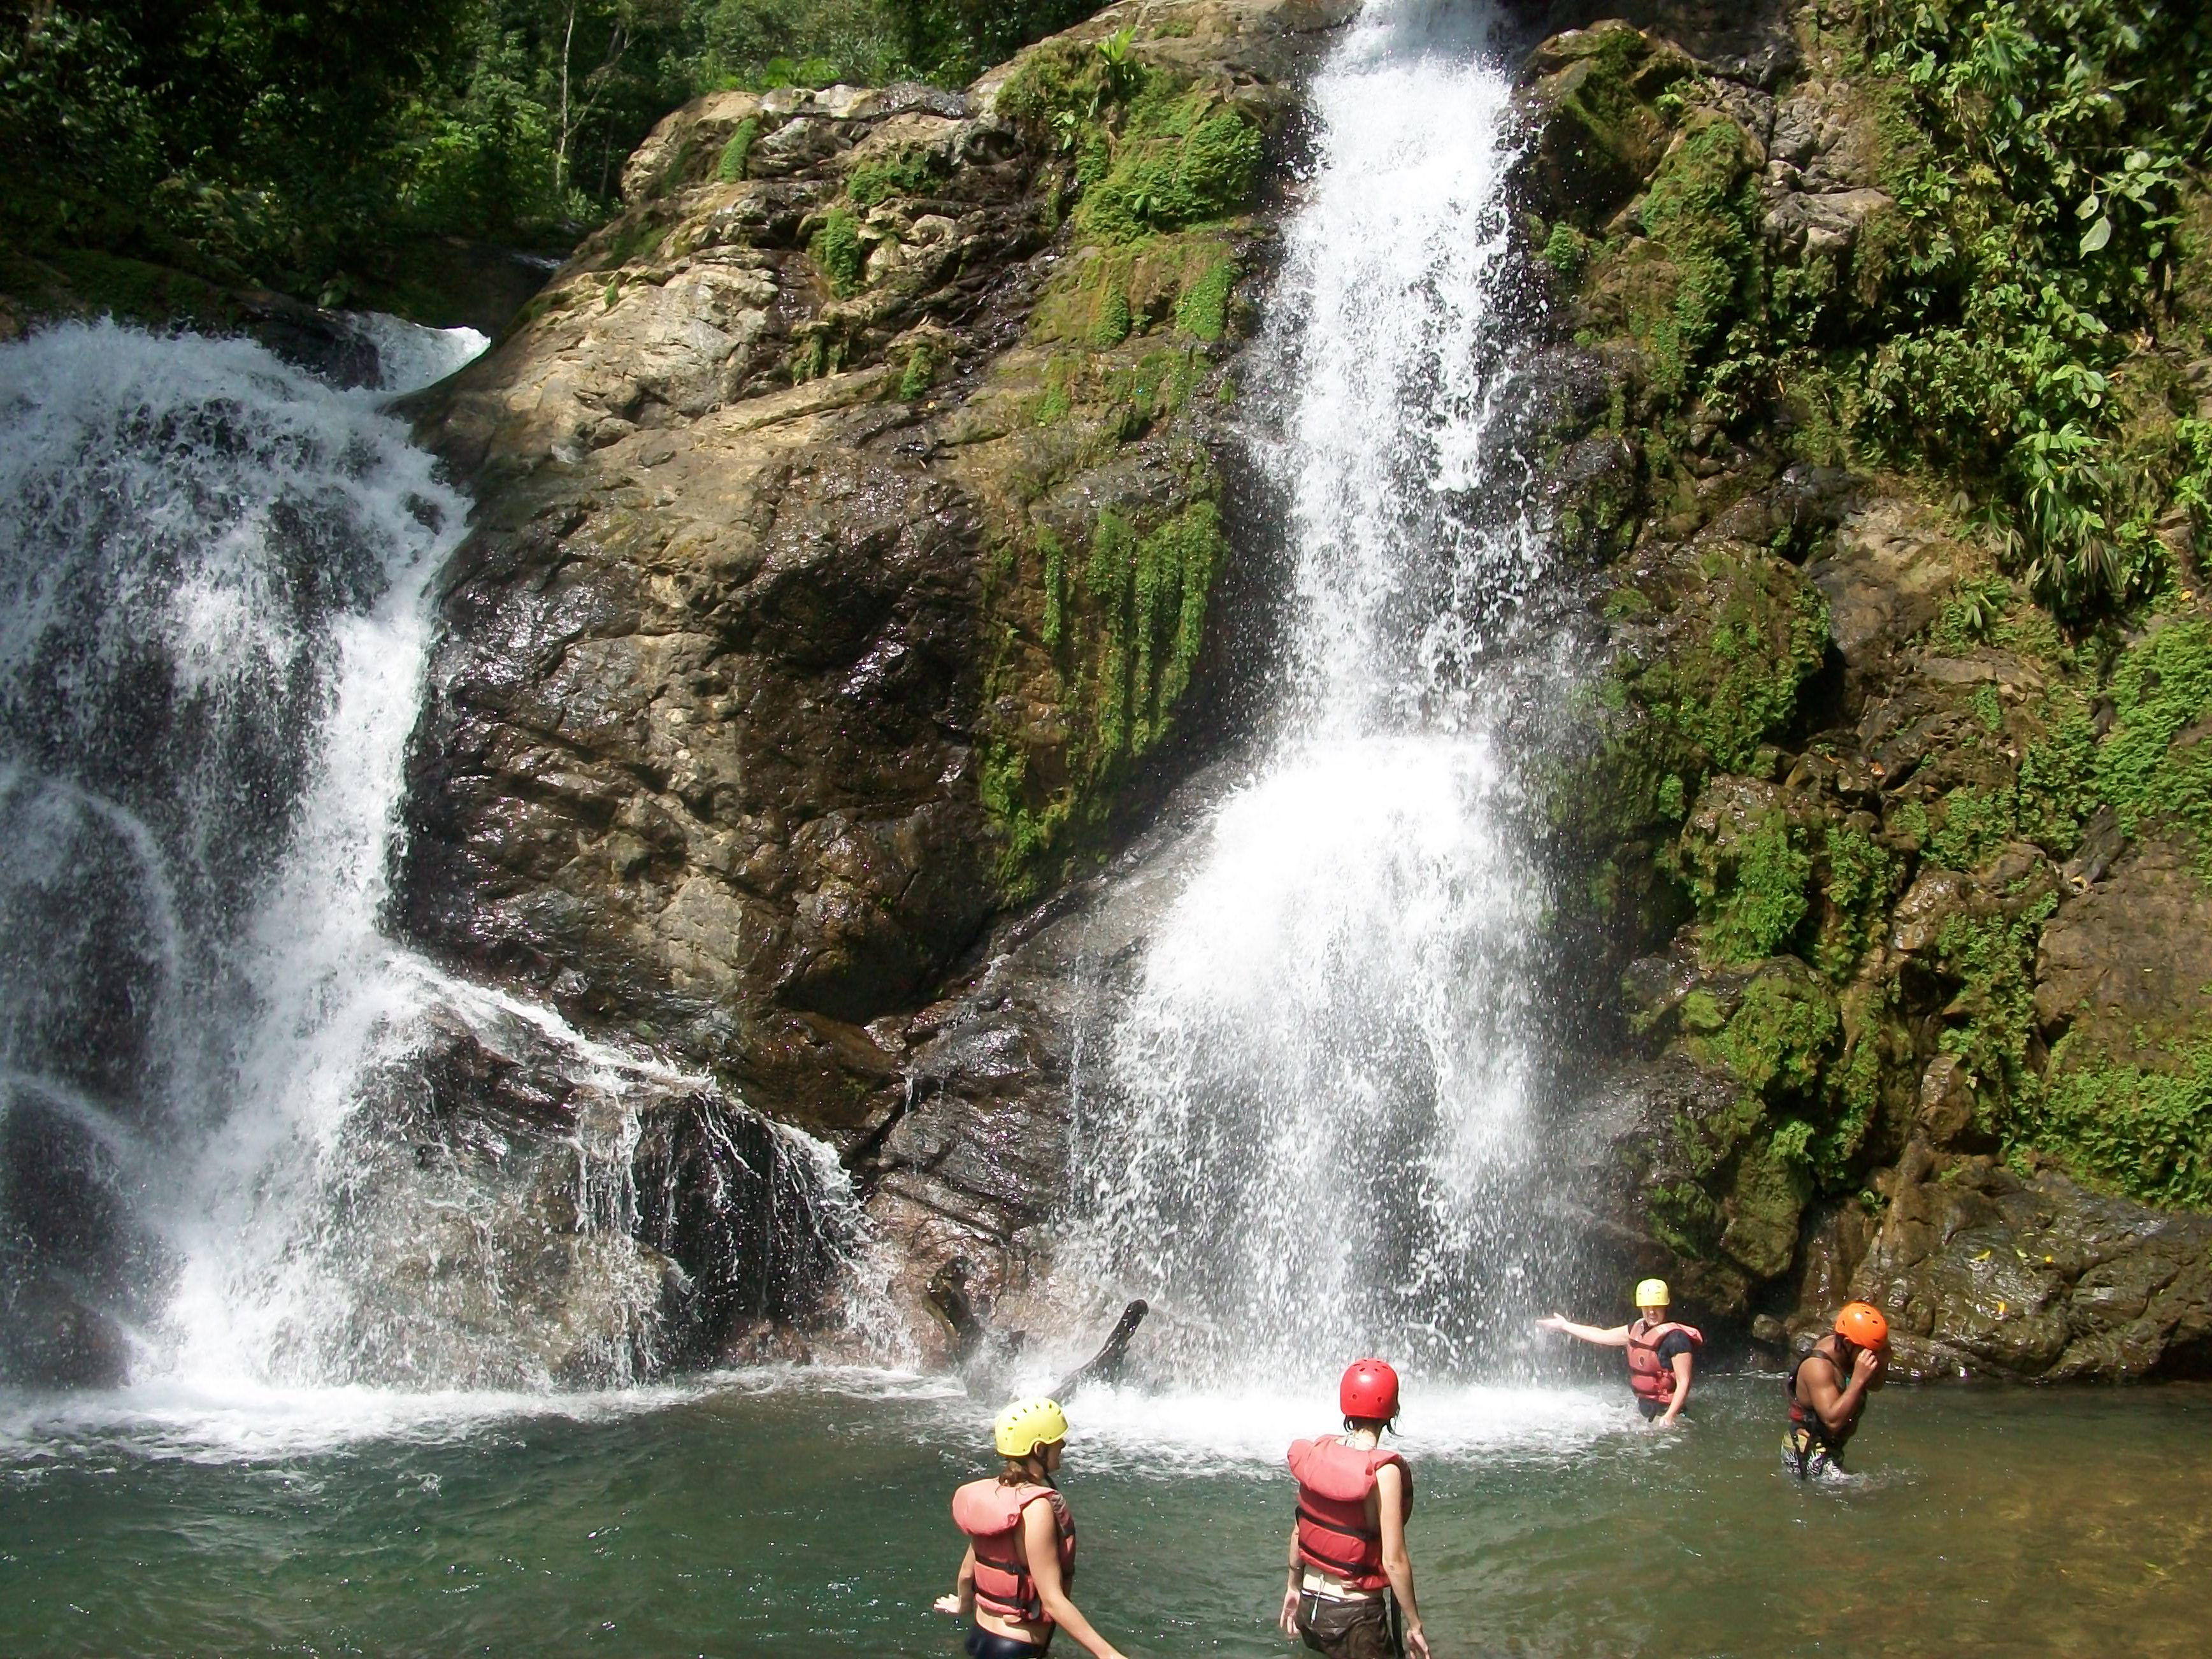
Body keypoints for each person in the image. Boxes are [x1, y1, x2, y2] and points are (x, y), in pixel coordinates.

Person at [936, 1397, 1127, 1659]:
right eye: (1056, 1441)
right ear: (1039, 1449)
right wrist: (1109, 1655)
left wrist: (962, 1603)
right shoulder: (1037, 1508)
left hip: (980, 1638)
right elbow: (1052, 1602)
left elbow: (968, 1573)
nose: (1063, 1444)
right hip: (1016, 1648)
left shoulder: (996, 1495)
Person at [1279, 1358, 1431, 1659]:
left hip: (1311, 1609)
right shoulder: (1384, 1472)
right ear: (1392, 1411)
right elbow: (1394, 1561)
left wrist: (1293, 1588)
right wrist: (1415, 1626)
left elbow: (1300, 1530)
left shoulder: (1319, 1452)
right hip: (1356, 1619)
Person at [1533, 1278, 1704, 1425]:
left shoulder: (1676, 1339)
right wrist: (1565, 1325)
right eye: (1647, 1306)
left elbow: (1684, 1382)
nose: (1652, 1311)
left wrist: (1669, 1417)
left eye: (1657, 1306)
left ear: (1665, 1306)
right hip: (1644, 1412)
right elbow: (1601, 1335)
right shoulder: (1636, 1330)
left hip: (1668, 1414)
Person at [1783, 1300, 1891, 1479]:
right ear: (1848, 1343)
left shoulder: (1849, 1353)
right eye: (1870, 1352)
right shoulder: (1818, 1367)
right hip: (1808, 1453)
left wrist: (1884, 1360)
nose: (1874, 1357)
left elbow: (1875, 1385)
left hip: (1833, 1451)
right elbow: (1832, 1422)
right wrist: (1858, 1379)